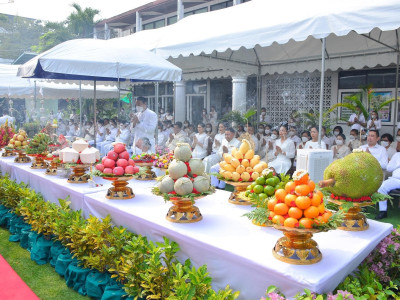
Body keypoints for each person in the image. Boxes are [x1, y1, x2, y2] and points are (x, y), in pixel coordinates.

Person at [376, 151, 400, 219]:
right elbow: (389, 168)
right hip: (396, 179)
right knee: (382, 187)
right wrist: (398, 165)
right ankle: (383, 211)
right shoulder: (397, 155)